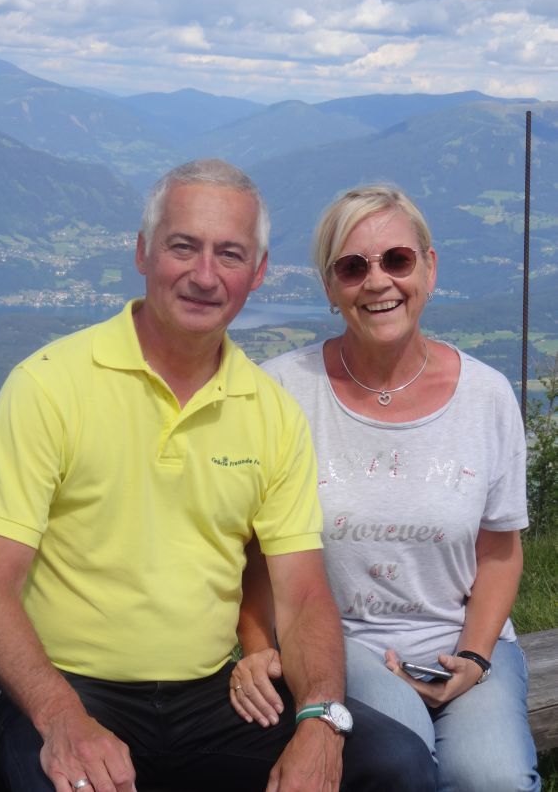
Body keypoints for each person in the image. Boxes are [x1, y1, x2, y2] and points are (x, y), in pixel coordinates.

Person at [0, 161, 437, 792]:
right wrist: (62, 720)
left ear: (258, 272)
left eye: (230, 254)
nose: (205, 276)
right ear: (143, 252)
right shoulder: (48, 386)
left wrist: (320, 722)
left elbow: (302, 595)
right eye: (183, 247)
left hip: (210, 694)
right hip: (68, 688)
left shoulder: (271, 414)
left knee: (397, 764)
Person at [230, 183, 540, 792]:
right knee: (403, 751)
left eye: (397, 260)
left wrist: (474, 659)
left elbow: (500, 551)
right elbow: (253, 552)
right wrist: (258, 645)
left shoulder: (486, 397)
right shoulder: (283, 392)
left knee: (495, 778)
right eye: (353, 267)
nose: (378, 282)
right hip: (339, 644)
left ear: (429, 268)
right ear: (330, 287)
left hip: (461, 641)